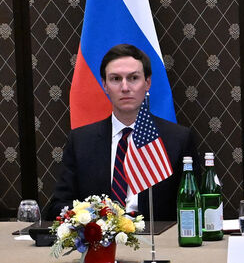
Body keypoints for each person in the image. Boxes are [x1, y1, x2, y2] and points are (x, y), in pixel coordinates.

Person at [45, 44, 198, 221]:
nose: (125, 87)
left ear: (147, 83)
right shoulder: (81, 141)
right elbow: (59, 206)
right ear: (105, 85)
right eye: (116, 79)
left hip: (157, 236)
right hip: (101, 235)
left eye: (133, 78)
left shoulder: (178, 139)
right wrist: (91, 218)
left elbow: (193, 204)